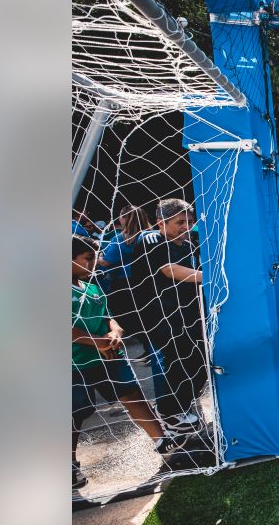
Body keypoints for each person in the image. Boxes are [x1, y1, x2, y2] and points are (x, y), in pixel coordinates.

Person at [72, 236, 170, 489]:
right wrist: (98, 343)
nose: (94, 263)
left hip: (110, 356)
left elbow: (108, 317)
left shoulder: (91, 287)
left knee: (132, 394)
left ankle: (162, 442)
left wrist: (114, 333)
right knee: (75, 414)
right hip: (76, 365)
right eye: (87, 258)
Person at [129, 199, 210, 439]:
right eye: (179, 222)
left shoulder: (189, 244)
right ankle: (169, 412)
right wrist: (211, 277)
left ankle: (178, 407)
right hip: (161, 317)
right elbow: (170, 270)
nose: (186, 226)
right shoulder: (151, 240)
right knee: (180, 359)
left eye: (189, 221)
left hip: (188, 313)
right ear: (160, 223)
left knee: (199, 359)